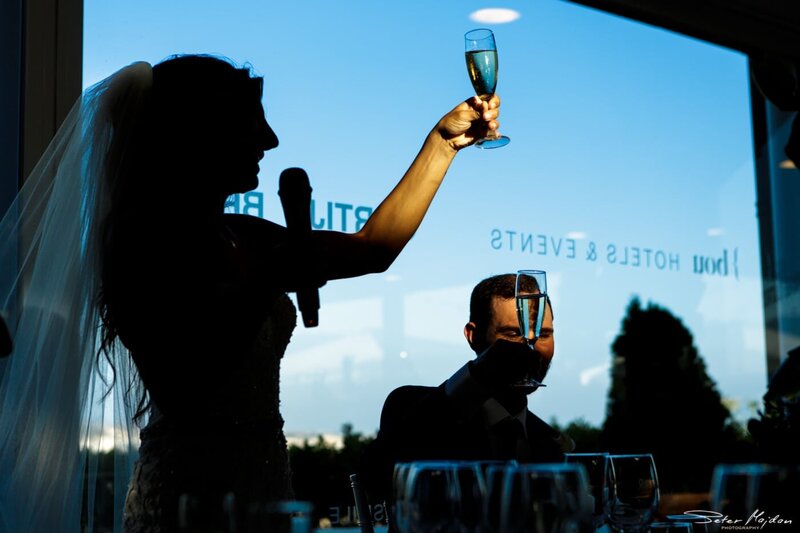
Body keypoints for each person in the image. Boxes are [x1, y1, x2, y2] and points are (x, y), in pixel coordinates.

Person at [0, 54, 502, 532]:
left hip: (266, 483)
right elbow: (187, 380)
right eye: (252, 123)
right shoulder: (139, 250)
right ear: (201, 131)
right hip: (187, 496)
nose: (271, 139)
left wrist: (442, 143)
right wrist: (267, 276)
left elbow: (373, 249)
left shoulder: (244, 235)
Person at [359, 273, 574, 506]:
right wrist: (477, 376)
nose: (530, 349)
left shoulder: (552, 444)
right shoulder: (411, 408)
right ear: (473, 336)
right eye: (512, 333)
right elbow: (374, 479)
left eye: (543, 334)